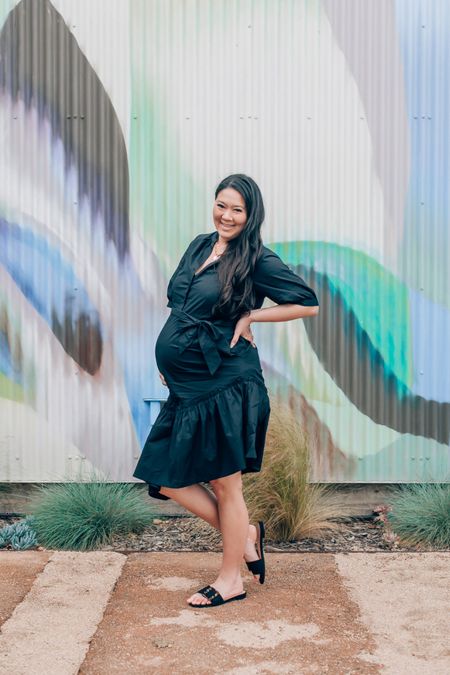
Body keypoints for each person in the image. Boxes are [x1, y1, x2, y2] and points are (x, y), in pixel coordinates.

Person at [133, 173, 319, 607]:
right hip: (188, 381)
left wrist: (251, 317)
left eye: (237, 209)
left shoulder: (256, 259)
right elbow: (182, 307)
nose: (227, 215)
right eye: (222, 205)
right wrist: (173, 362)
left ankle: (231, 578)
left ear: (251, 215)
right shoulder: (200, 244)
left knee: (225, 484)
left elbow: (306, 302)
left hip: (226, 382)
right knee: (164, 476)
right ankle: (247, 535)